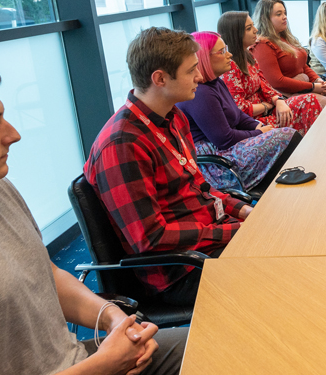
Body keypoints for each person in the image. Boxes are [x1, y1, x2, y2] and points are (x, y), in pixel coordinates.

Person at [0, 62, 187, 375]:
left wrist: (114, 318)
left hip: (82, 361)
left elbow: (47, 275)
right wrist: (104, 365)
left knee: (227, 341)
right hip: (92, 366)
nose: (13, 135)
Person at [86, 27, 253, 307]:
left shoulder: (173, 117)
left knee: (288, 244)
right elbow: (151, 239)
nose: (200, 76)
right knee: (282, 272)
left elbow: (200, 187)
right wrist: (235, 231)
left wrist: (245, 211)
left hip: (208, 243)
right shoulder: (122, 144)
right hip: (181, 272)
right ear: (160, 78)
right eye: (191, 71)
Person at [177, 31, 301, 194]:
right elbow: (223, 138)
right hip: (218, 161)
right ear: (205, 58)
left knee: (285, 134)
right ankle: (264, 192)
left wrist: (259, 125)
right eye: (222, 52)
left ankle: (282, 188)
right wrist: (258, 132)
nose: (229, 55)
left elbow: (239, 115)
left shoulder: (216, 83)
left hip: (229, 146)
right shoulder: (201, 94)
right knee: (288, 136)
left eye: (226, 49)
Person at [217, 10, 324, 131]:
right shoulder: (229, 67)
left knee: (310, 100)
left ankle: (315, 143)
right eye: (248, 28)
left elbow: (265, 86)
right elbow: (239, 108)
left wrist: (278, 101)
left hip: (269, 109)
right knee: (308, 106)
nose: (255, 30)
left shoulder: (249, 56)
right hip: (254, 122)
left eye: (253, 25)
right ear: (236, 34)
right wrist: (267, 105)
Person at [250, 0, 326, 101]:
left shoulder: (285, 38)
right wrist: (312, 86)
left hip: (303, 87)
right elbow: (277, 82)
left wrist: (317, 80)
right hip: (285, 96)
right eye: (278, 14)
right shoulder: (263, 44)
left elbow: (303, 65)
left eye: (284, 13)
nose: (284, 17)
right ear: (265, 18)